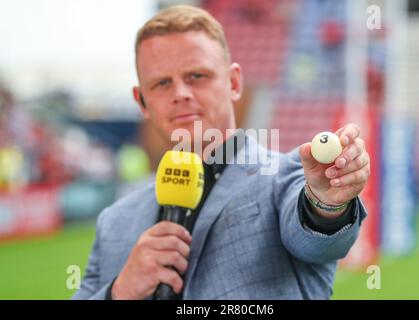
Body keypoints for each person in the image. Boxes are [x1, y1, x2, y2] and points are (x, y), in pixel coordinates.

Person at [73, 5, 370, 300]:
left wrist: (326, 205)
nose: (181, 93)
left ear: (234, 82)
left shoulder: (286, 177)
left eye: (196, 76)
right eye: (162, 83)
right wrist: (119, 292)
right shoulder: (113, 222)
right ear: (141, 101)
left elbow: (319, 242)